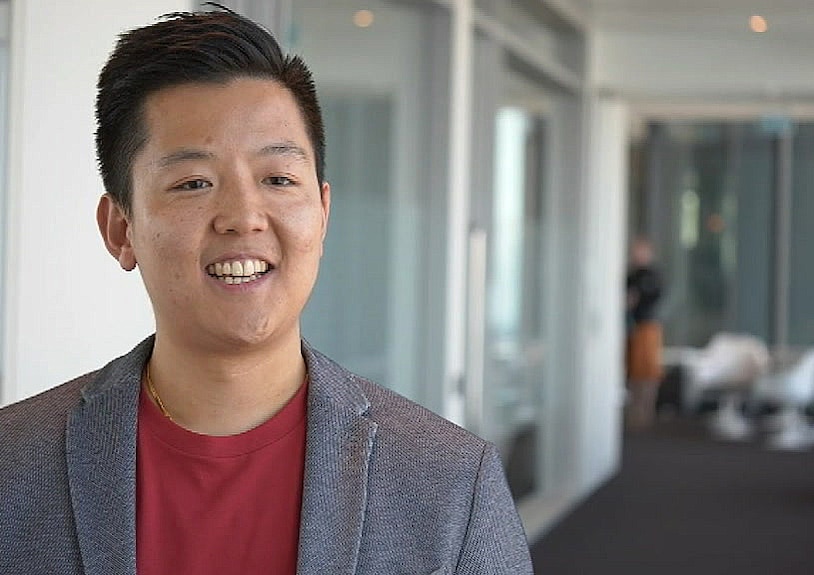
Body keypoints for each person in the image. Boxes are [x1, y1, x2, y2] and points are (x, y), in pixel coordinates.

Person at [0, 8, 533, 574]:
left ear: (322, 215)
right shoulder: (14, 467)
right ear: (120, 229)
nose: (244, 217)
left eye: (278, 179)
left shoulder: (449, 484)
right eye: (193, 183)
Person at [625, 236, 664, 429]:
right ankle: (633, 412)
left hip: (647, 326)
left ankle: (646, 412)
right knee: (633, 371)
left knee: (648, 371)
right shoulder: (629, 276)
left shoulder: (653, 277)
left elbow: (654, 298)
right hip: (631, 327)